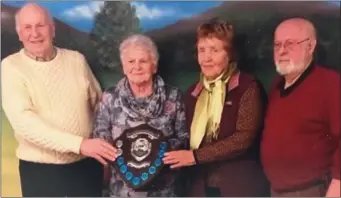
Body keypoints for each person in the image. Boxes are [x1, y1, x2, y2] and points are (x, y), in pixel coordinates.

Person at [1, 3, 117, 197]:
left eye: (41, 25)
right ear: (19, 34)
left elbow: (99, 106)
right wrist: (80, 144)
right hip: (41, 173)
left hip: (87, 166)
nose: (35, 33)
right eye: (27, 28)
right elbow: (25, 124)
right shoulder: (10, 67)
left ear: (52, 29)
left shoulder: (77, 60)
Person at [163, 18, 270, 196]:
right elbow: (181, 136)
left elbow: (242, 139)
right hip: (199, 188)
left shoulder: (247, 86)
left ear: (229, 54)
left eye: (214, 50)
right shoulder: (193, 92)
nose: (206, 58)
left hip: (239, 187)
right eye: (201, 50)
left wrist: (195, 157)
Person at [91, 34, 189, 197]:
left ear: (154, 66)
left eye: (143, 61)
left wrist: (158, 150)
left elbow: (184, 138)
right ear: (123, 67)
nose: (137, 67)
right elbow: (100, 137)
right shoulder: (109, 98)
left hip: (164, 191)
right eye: (131, 61)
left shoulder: (173, 96)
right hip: (122, 191)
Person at [260, 17, 340, 197]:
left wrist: (337, 187)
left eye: (290, 44)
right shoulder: (276, 86)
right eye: (277, 44)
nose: (281, 51)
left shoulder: (331, 84)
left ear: (310, 47)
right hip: (277, 191)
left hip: (314, 191)